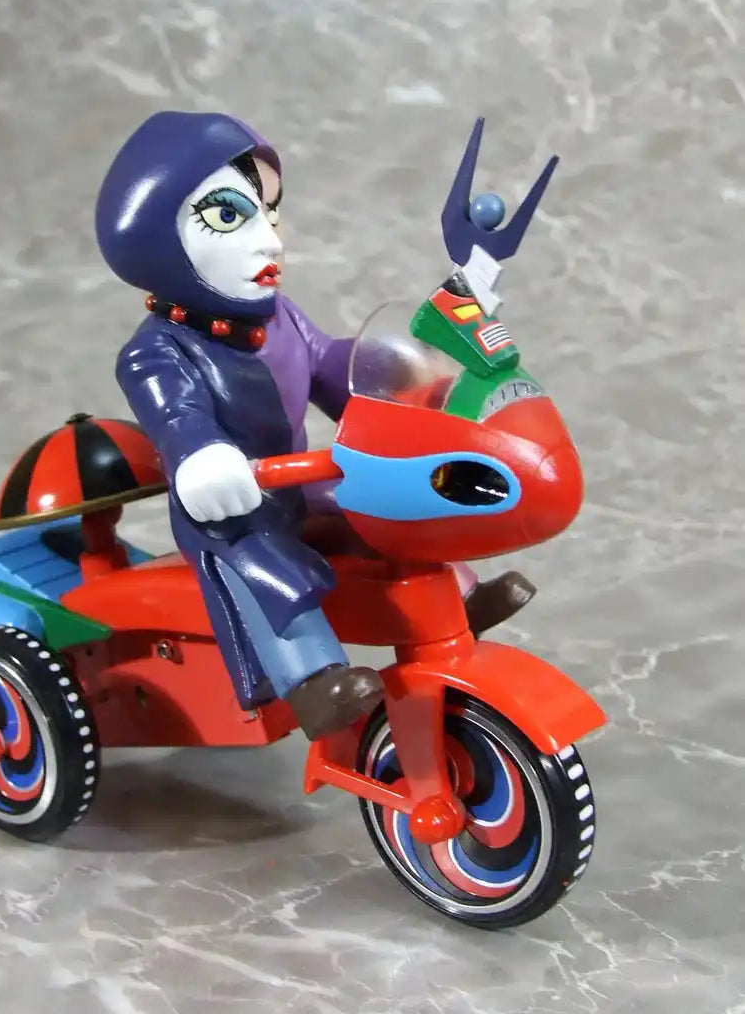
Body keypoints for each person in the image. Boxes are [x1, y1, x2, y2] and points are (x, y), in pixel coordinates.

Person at [96, 111, 534, 740]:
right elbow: (176, 414)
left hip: (296, 486)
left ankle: (459, 599)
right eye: (230, 216)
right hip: (230, 512)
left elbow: (336, 366)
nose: (271, 241)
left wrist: (418, 366)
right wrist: (202, 457)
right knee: (264, 565)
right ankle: (313, 680)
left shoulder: (282, 319)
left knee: (383, 507)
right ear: (156, 237)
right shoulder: (156, 352)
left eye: (270, 212)